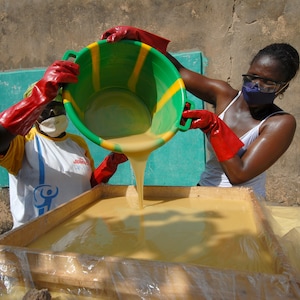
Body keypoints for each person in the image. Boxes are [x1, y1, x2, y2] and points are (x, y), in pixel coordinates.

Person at [100, 26, 299, 198]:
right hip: (205, 192)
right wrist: (139, 37)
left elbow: (239, 174)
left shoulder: (280, 123)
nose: (256, 84)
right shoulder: (224, 96)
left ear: (283, 87)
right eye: (252, 76)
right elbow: (178, 71)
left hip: (243, 204)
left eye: (268, 82)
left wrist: (214, 127)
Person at [0, 60, 127, 229]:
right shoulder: (23, 142)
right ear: (34, 114)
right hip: (35, 241)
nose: (52, 112)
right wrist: (39, 96)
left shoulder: (77, 144)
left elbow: (86, 188)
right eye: (45, 108)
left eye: (58, 106)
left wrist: (110, 165)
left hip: (77, 236)